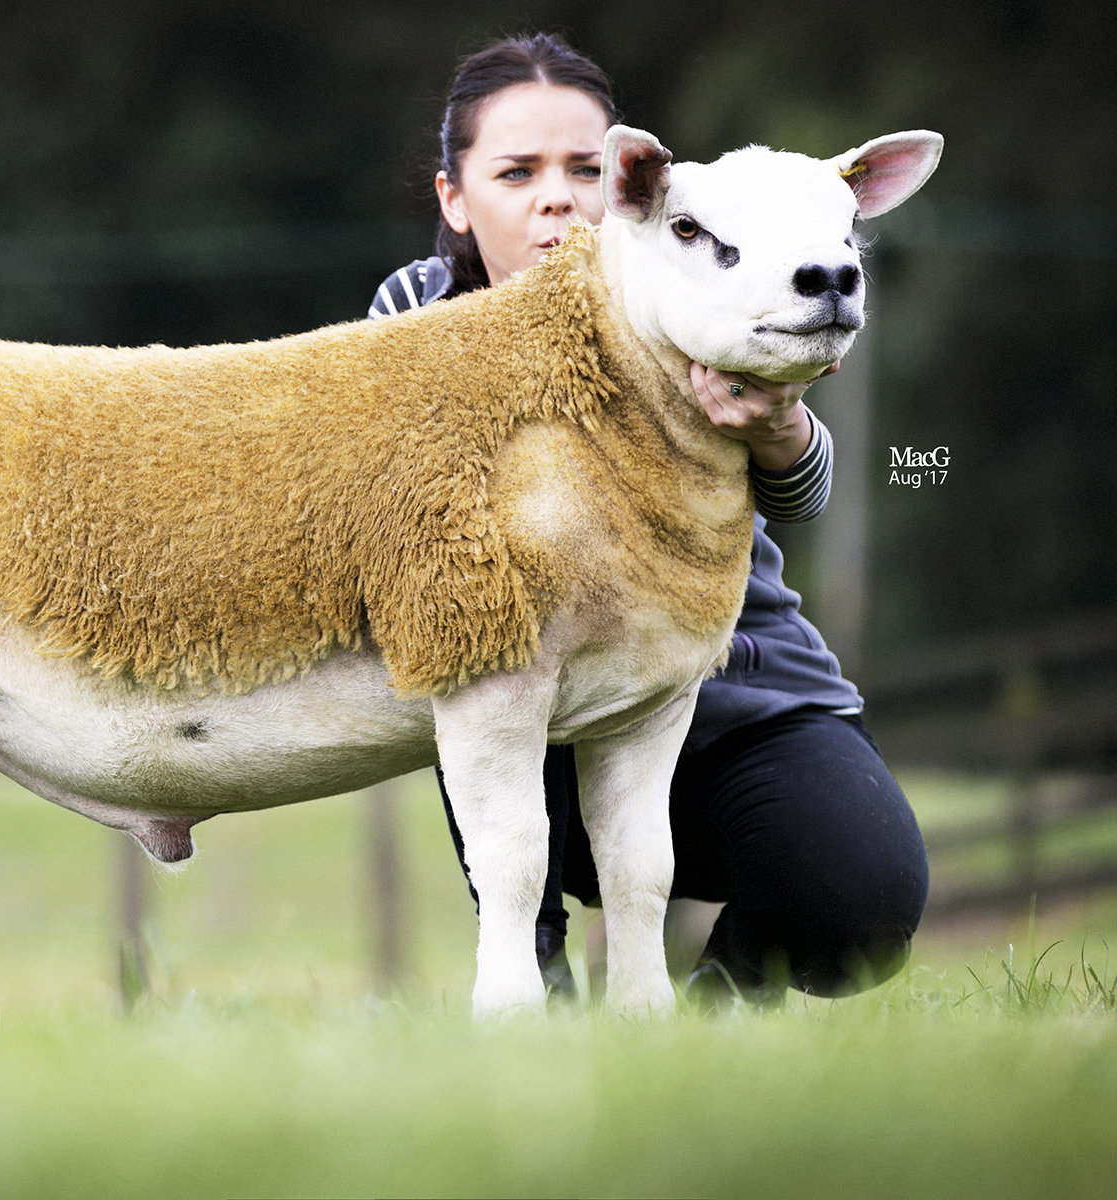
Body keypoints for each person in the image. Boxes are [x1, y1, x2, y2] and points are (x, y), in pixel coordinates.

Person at [369, 34, 928, 1007]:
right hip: (531, 704)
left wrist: (780, 423)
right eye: (516, 171)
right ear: (455, 198)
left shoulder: (703, 291)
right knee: (493, 668)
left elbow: (802, 497)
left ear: (633, 184)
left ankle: (718, 1009)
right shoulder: (415, 315)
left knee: (864, 901)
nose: (557, 196)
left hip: (730, 686)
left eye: (585, 168)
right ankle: (529, 972)